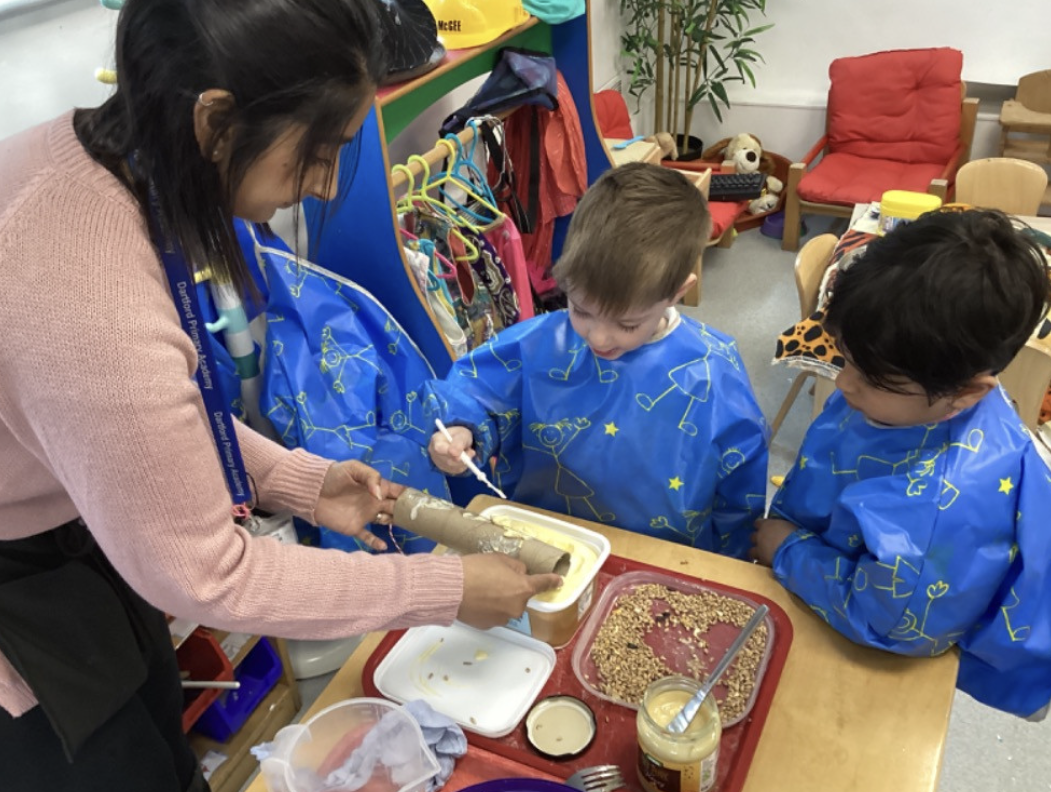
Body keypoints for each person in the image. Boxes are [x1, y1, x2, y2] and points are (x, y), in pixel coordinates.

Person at [0, 1, 560, 792]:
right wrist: (441, 587)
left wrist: (300, 482)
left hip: (40, 496)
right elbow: (208, 571)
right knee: (124, 786)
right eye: (316, 153)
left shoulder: (121, 161)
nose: (322, 185)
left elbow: (158, 422)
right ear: (214, 119)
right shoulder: (83, 297)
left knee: (155, 711)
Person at [751, 209, 1051, 719]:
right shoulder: (910, 386)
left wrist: (787, 549)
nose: (843, 384)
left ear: (965, 392)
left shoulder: (942, 510)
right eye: (845, 358)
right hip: (832, 551)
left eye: (870, 379)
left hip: (881, 636)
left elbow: (891, 625)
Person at [426, 163, 768, 557]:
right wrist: (461, 431)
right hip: (542, 542)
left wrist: (729, 563)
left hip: (664, 558)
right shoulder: (540, 342)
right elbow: (477, 392)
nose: (599, 338)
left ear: (678, 291)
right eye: (581, 310)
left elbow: (739, 498)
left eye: (627, 323)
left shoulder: (712, 373)